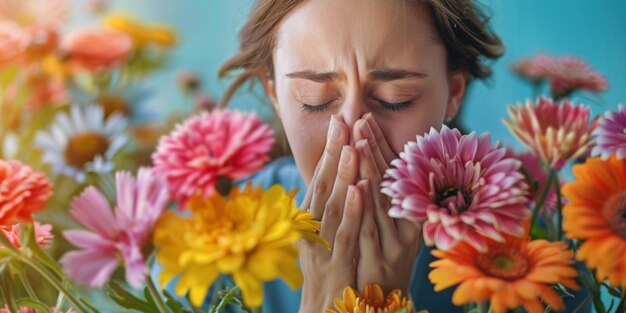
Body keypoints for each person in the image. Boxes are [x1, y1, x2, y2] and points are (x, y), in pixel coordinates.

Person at [217, 0, 503, 311]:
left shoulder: (525, 245)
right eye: (316, 100)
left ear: (454, 92)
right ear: (274, 94)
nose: (354, 134)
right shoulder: (215, 242)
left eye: (395, 99)